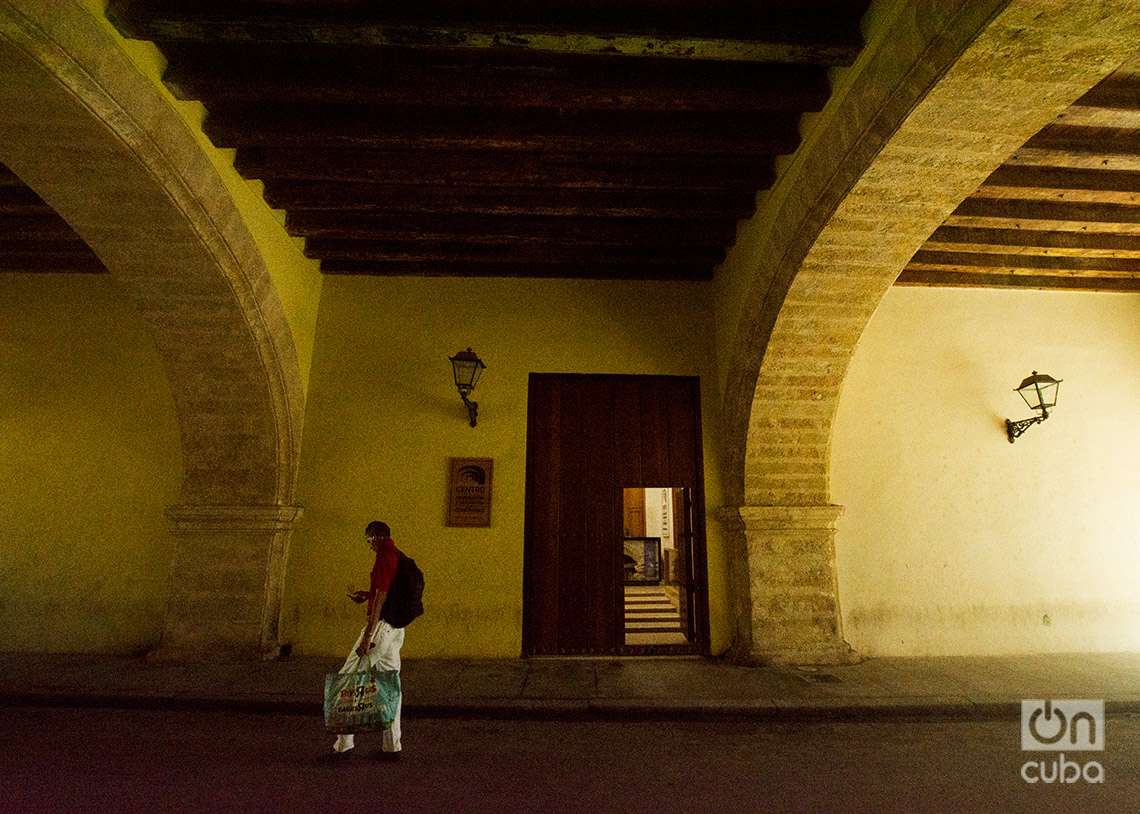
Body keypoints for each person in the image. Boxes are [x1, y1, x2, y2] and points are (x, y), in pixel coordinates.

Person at [331, 520, 405, 760]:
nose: (369, 545)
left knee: (349, 678)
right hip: (395, 629)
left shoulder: (384, 558)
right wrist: (365, 595)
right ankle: (392, 746)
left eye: (368, 540)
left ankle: (344, 745)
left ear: (376, 537)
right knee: (390, 683)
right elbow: (384, 592)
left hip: (380, 628)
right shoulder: (398, 556)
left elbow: (382, 597)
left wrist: (367, 636)